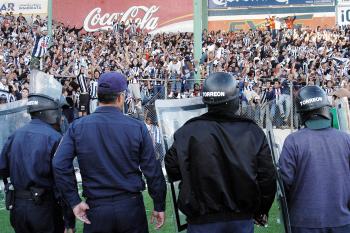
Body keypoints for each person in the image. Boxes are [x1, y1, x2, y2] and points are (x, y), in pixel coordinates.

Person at [53, 72, 167, 233]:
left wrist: (74, 201)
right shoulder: (136, 127)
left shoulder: (78, 127)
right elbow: (152, 169)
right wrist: (159, 204)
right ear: (120, 97)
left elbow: (59, 164)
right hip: (130, 208)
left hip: (97, 209)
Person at [165, 72, 277, 233]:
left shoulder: (188, 130)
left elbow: (172, 168)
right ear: (234, 100)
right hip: (240, 220)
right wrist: (262, 210)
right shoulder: (252, 131)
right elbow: (267, 178)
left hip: (201, 221)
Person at [0, 72, 66, 233]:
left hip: (18, 208)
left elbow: (3, 168)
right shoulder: (54, 138)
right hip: (44, 207)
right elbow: (62, 179)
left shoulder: (15, 135)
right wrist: (69, 217)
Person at [279, 85, 350, 233]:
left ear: (302, 113)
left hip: (303, 221)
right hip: (341, 220)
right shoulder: (346, 139)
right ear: (325, 109)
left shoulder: (293, 141)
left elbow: (284, 183)